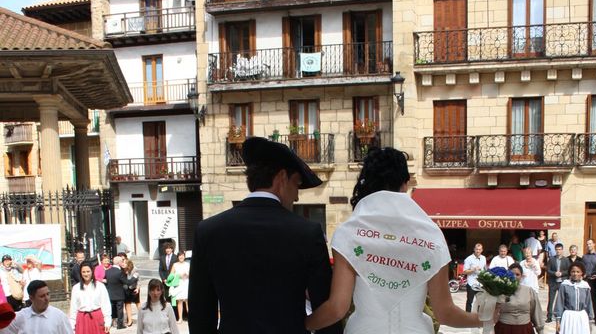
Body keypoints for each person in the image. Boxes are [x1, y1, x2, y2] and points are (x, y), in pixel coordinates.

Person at [305, 147, 485, 333]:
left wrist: (303, 324)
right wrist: (483, 319)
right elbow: (445, 313)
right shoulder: (431, 235)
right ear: (405, 184)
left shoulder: (349, 232)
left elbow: (337, 308)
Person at [189, 136, 341, 334]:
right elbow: (326, 312)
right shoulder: (307, 233)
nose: (296, 196)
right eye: (296, 184)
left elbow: (200, 315)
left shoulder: (208, 230)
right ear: (281, 178)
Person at [2, 280, 73, 334]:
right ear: (31, 298)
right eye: (42, 296)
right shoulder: (21, 316)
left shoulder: (59, 316)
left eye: (47, 294)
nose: (46, 298)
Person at [494, 263, 544, 334]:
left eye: (517, 274)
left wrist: (540, 330)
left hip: (525, 329)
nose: (514, 276)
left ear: (521, 276)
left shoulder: (529, 291)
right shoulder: (500, 291)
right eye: (512, 274)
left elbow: (536, 311)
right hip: (504, 329)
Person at [69, 261, 111, 334]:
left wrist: (107, 321)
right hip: (82, 320)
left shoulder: (100, 286)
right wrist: (72, 325)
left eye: (88, 271)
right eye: (83, 272)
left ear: (92, 271)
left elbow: (105, 304)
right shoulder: (76, 288)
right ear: (80, 273)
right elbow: (73, 308)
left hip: (97, 319)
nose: (86, 274)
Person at [553, 261, 593, 334]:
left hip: (581, 317)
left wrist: (590, 321)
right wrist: (558, 321)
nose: (575, 274)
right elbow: (560, 303)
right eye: (573, 271)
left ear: (582, 273)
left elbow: (588, 304)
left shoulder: (585, 286)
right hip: (568, 317)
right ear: (570, 273)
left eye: (578, 272)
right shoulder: (565, 285)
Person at [545, 242, 570, 323]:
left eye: (560, 249)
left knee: (563, 300)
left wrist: (562, 273)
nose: (558, 251)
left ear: (562, 250)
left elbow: (568, 271)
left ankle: (562, 315)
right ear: (555, 250)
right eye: (557, 249)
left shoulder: (566, 260)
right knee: (551, 300)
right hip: (553, 282)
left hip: (562, 282)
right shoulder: (551, 259)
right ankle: (549, 316)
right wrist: (554, 273)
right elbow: (548, 270)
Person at [104, 256, 129, 329]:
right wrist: (134, 277)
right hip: (119, 293)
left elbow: (107, 281)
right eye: (121, 261)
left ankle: (112, 322)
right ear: (119, 263)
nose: (122, 263)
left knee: (112, 308)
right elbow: (126, 282)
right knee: (120, 309)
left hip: (111, 293)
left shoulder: (107, 271)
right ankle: (120, 324)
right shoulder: (120, 272)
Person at [582, 238, 596, 324]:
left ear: (594, 244)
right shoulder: (584, 256)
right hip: (586, 280)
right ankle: (586, 316)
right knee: (585, 300)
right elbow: (582, 267)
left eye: (590, 244)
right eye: (587, 244)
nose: (588, 245)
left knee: (595, 300)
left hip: (594, 280)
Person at [463, 243, 486, 312]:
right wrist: (473, 270)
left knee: (481, 301)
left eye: (479, 249)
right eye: (476, 249)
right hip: (471, 283)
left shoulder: (483, 258)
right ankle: (467, 316)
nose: (478, 251)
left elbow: (484, 269)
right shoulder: (469, 259)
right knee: (470, 301)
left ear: (482, 250)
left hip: (480, 283)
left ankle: (478, 316)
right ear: (474, 249)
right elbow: (464, 272)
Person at [167, 251, 189, 323]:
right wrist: (178, 275)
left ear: (184, 256)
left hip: (186, 283)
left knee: (187, 301)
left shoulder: (188, 264)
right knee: (179, 301)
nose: (181, 257)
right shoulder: (175, 265)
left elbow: (192, 274)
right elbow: (171, 275)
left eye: (182, 255)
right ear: (178, 257)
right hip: (178, 283)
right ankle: (180, 318)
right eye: (180, 255)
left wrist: (187, 275)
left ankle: (190, 318)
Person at [123, 259, 140, 328]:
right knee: (127, 304)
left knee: (137, 303)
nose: (123, 264)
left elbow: (138, 279)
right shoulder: (122, 270)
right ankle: (130, 320)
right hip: (126, 289)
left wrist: (138, 288)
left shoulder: (134, 269)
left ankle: (143, 317)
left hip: (134, 288)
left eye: (124, 263)